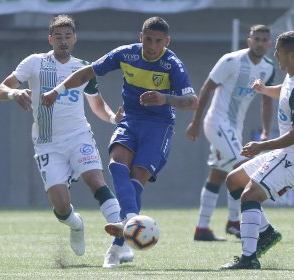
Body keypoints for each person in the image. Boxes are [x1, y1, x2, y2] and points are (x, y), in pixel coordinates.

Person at [41, 16, 198, 267]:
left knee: (136, 179)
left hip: (158, 128)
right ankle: (129, 221)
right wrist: (56, 91)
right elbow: (87, 72)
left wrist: (164, 99)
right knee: (116, 165)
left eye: (158, 41)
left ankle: (115, 249)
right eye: (148, 39)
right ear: (140, 37)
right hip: (130, 121)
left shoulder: (172, 64)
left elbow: (192, 102)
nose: (152, 45)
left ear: (166, 41)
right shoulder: (127, 54)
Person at [0, 14, 133, 267]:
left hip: (79, 135)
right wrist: (15, 93)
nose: (63, 41)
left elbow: (96, 104)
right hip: (47, 143)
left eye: (68, 36)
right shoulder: (35, 62)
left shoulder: (83, 68)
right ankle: (76, 225)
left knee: (95, 180)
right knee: (61, 207)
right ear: (51, 39)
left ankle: (121, 237)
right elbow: (1, 89)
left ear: (75, 39)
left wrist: (114, 119)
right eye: (58, 36)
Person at [220, 31, 294, 269]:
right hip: (287, 153)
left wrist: (260, 146)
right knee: (234, 180)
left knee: (249, 195)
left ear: (293, 55)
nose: (275, 55)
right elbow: (284, 91)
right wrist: (265, 90)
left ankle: (249, 258)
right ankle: (265, 233)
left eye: (279, 52)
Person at [186, 25, 274, 241]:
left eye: (264, 40)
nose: (260, 43)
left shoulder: (268, 68)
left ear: (269, 43)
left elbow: (266, 100)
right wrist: (195, 122)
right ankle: (243, 224)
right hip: (217, 123)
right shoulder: (230, 61)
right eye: (257, 39)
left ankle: (202, 228)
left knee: (218, 173)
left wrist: (265, 130)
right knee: (242, 169)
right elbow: (207, 88)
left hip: (234, 127)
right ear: (249, 40)